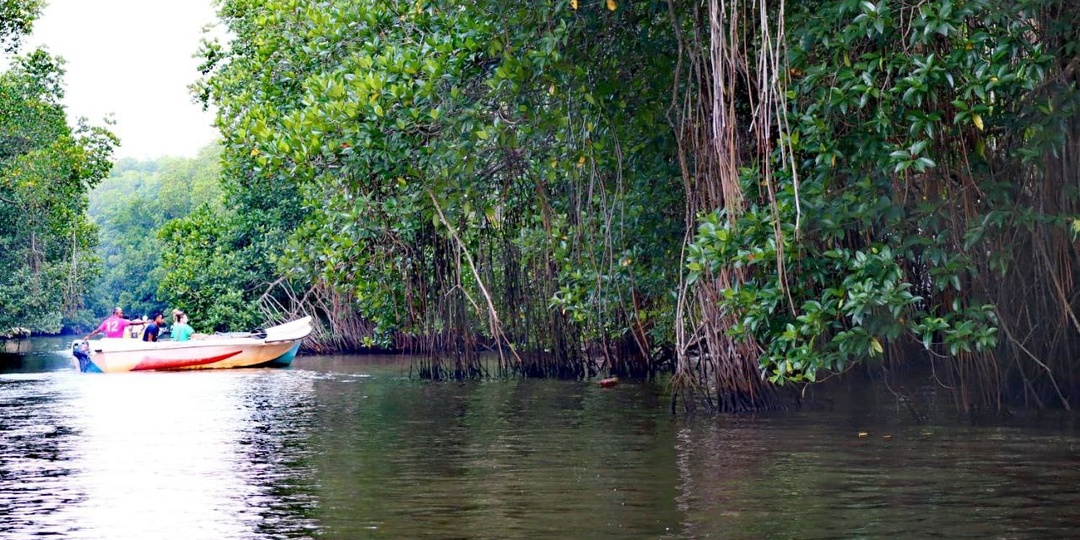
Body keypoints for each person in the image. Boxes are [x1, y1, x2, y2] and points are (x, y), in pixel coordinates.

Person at [84, 307, 148, 340]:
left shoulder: (106, 321)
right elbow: (133, 323)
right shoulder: (121, 321)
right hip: (118, 343)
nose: (122, 314)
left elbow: (97, 331)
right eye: (121, 313)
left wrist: (88, 336)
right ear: (116, 313)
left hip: (109, 342)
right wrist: (144, 322)